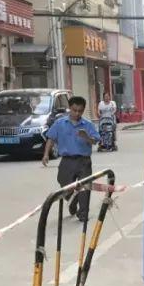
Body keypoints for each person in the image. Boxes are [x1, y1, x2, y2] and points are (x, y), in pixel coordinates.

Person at [41, 95, 99, 223]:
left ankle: (83, 213)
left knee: (85, 188)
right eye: (74, 110)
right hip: (67, 161)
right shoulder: (60, 123)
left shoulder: (88, 125)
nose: (77, 113)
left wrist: (86, 137)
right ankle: (73, 201)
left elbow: (95, 141)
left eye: (80, 111)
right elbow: (51, 138)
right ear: (69, 108)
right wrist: (46, 154)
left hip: (84, 161)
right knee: (64, 185)